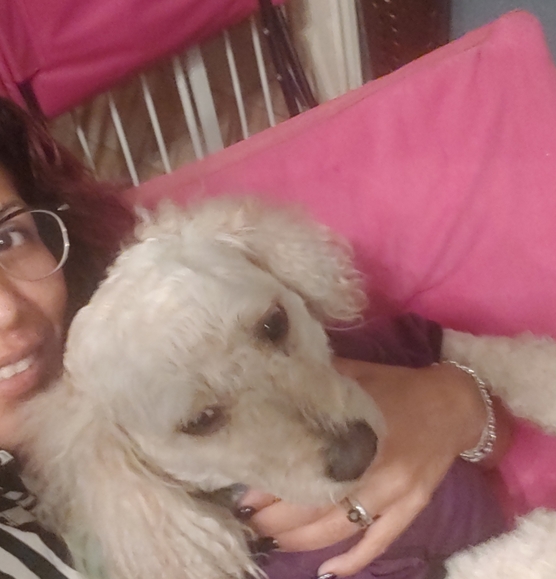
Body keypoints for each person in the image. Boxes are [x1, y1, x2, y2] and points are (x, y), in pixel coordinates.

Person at [0, 96, 513, 578]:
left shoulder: (175, 303)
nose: (5, 313)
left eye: (6, 236)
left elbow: (491, 413)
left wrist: (453, 404)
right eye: (201, 419)